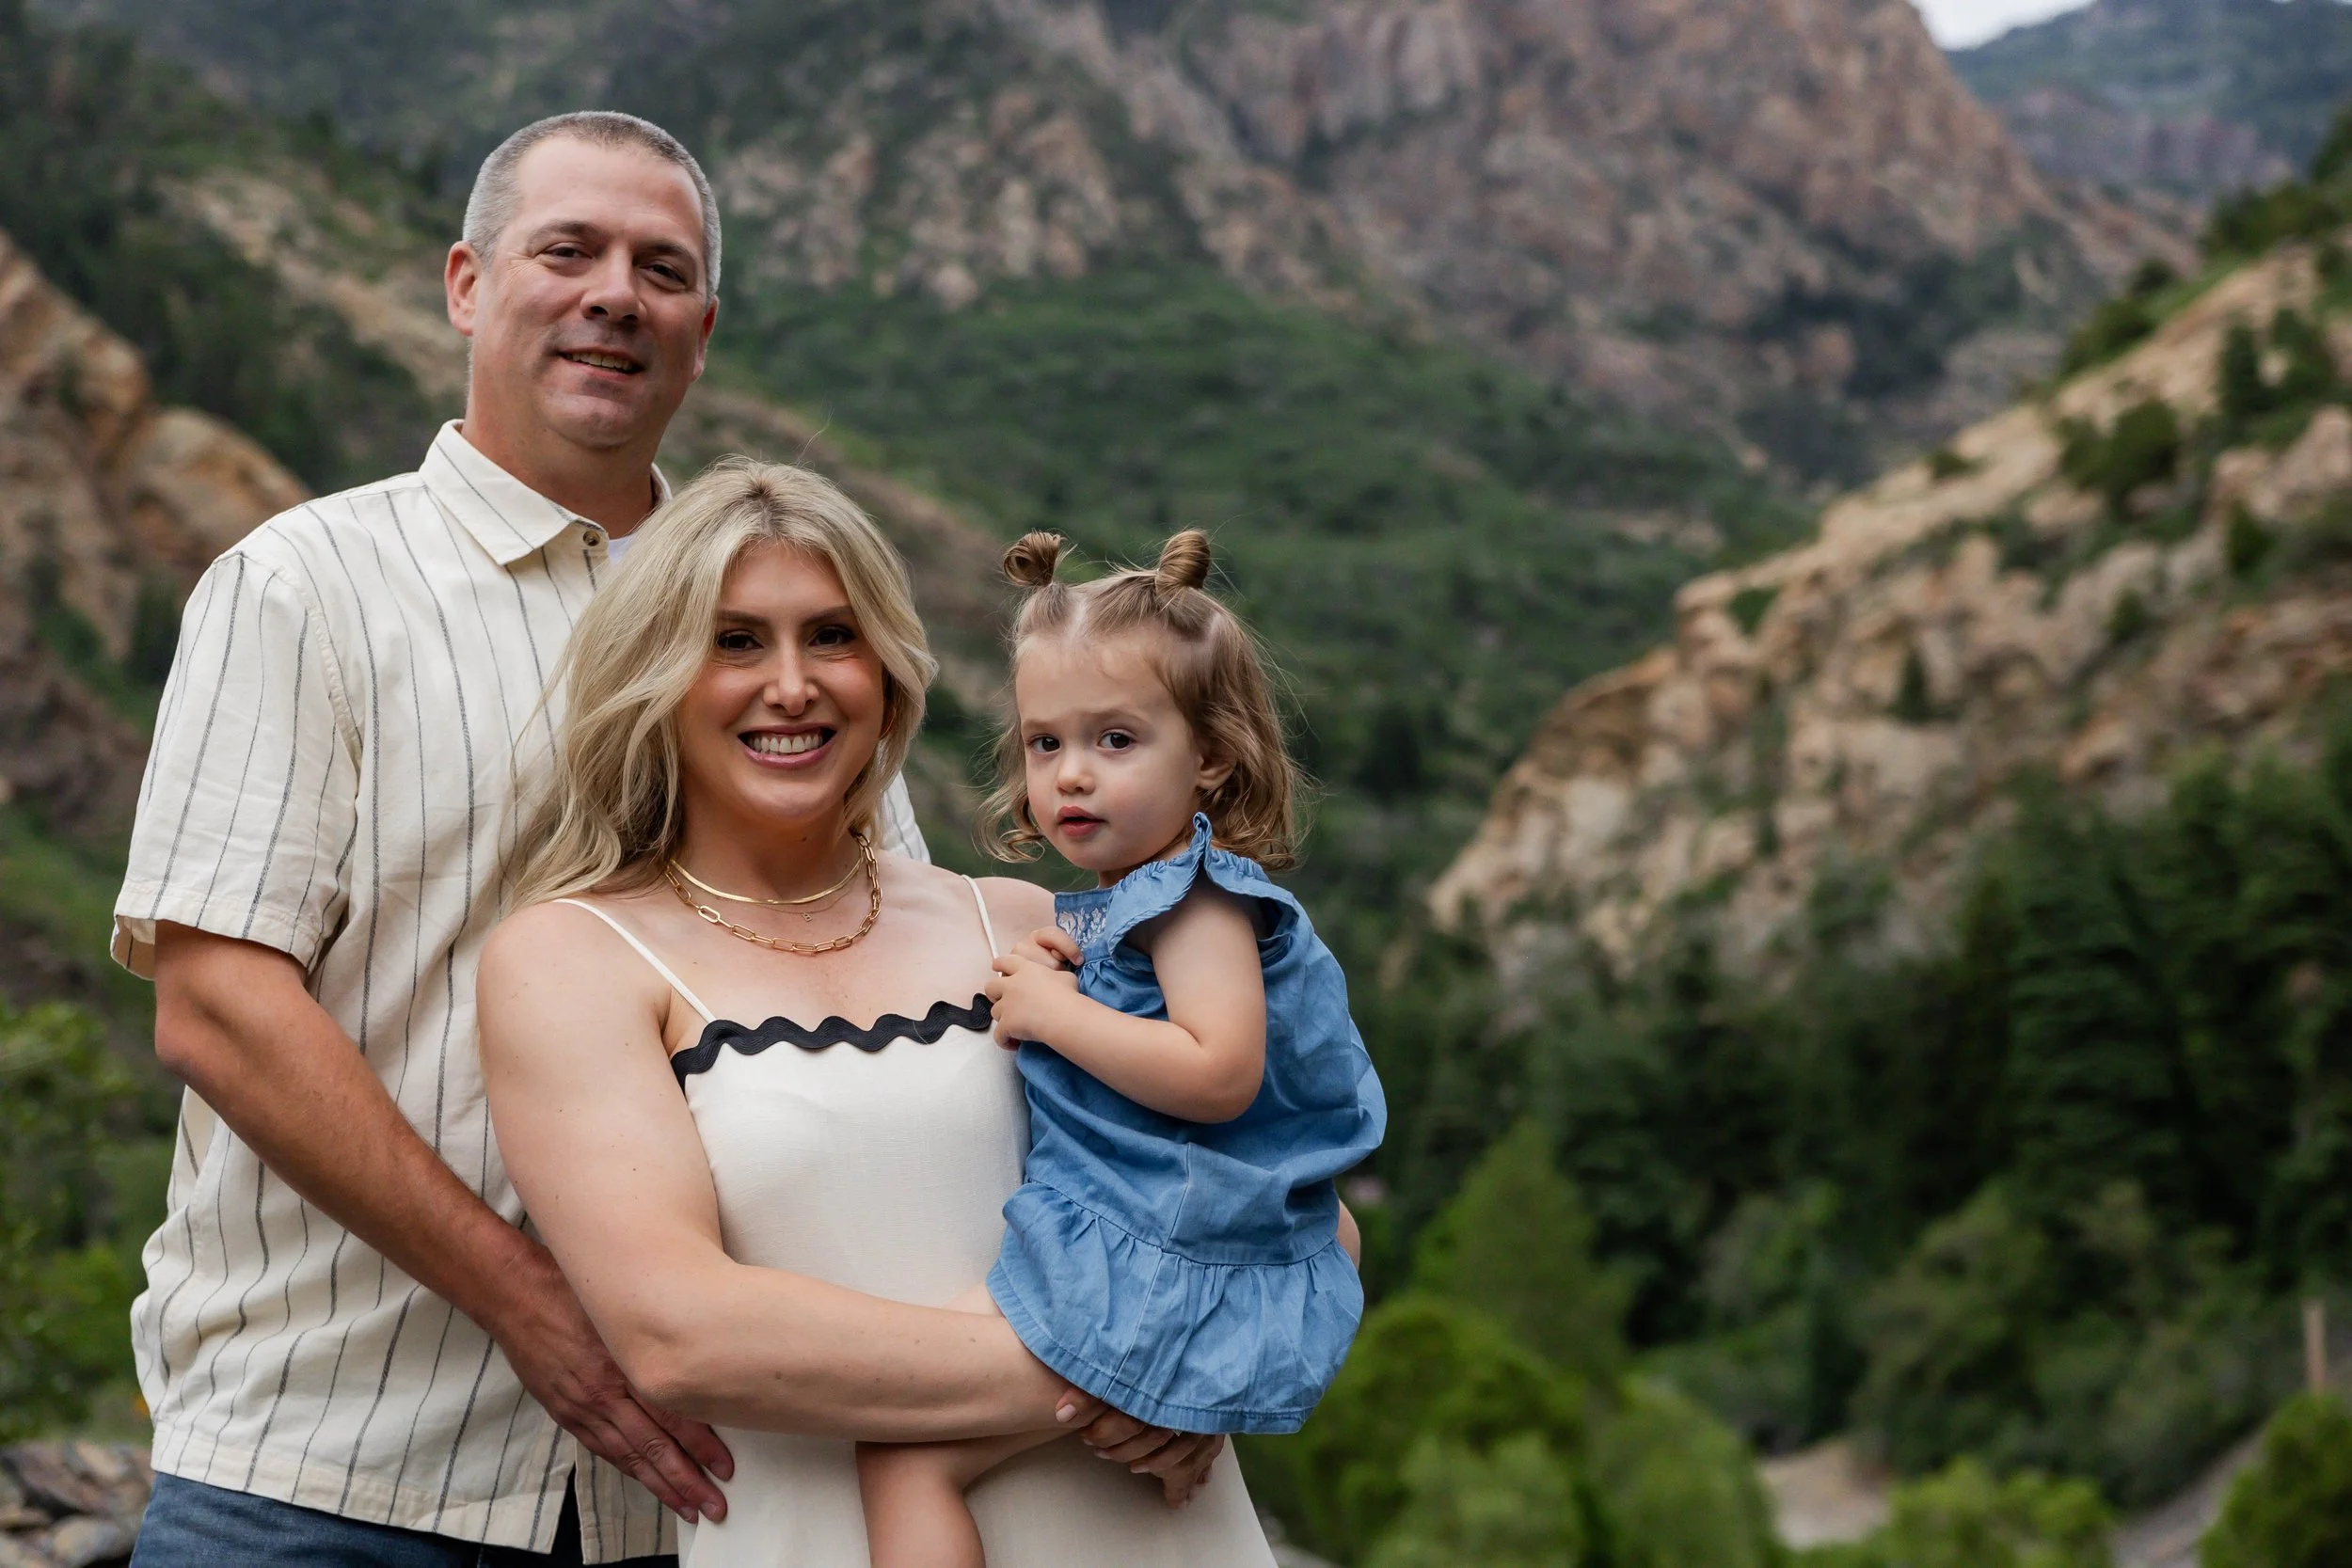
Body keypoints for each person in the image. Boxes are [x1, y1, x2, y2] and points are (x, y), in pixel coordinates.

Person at [110, 109, 960, 1565]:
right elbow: (218, 1004)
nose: (614, 294)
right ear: (465, 285)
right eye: (567, 250)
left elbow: (905, 983)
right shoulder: (304, 586)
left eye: (662, 267)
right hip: (333, 1472)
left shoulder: (784, 639)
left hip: (713, 1495)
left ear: (702, 325)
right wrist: (534, 1304)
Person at [474, 461, 1270, 1566]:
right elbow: (681, 1333)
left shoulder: (1029, 923)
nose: (792, 684)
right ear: (652, 674)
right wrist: (1136, 1364)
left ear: (888, 674)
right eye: (736, 640)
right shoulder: (572, 959)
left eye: (833, 637)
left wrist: (1221, 1374)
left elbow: (1297, 1202)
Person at [853, 531, 1385, 1566]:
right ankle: (1179, 1428)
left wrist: (1055, 1013)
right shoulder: (1128, 904)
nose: (1072, 776)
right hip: (1153, 1245)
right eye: (1046, 744)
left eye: (1116, 740)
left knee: (903, 1459)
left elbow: (1218, 1071)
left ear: (1212, 757)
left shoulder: (1195, 903)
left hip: (1145, 1260)